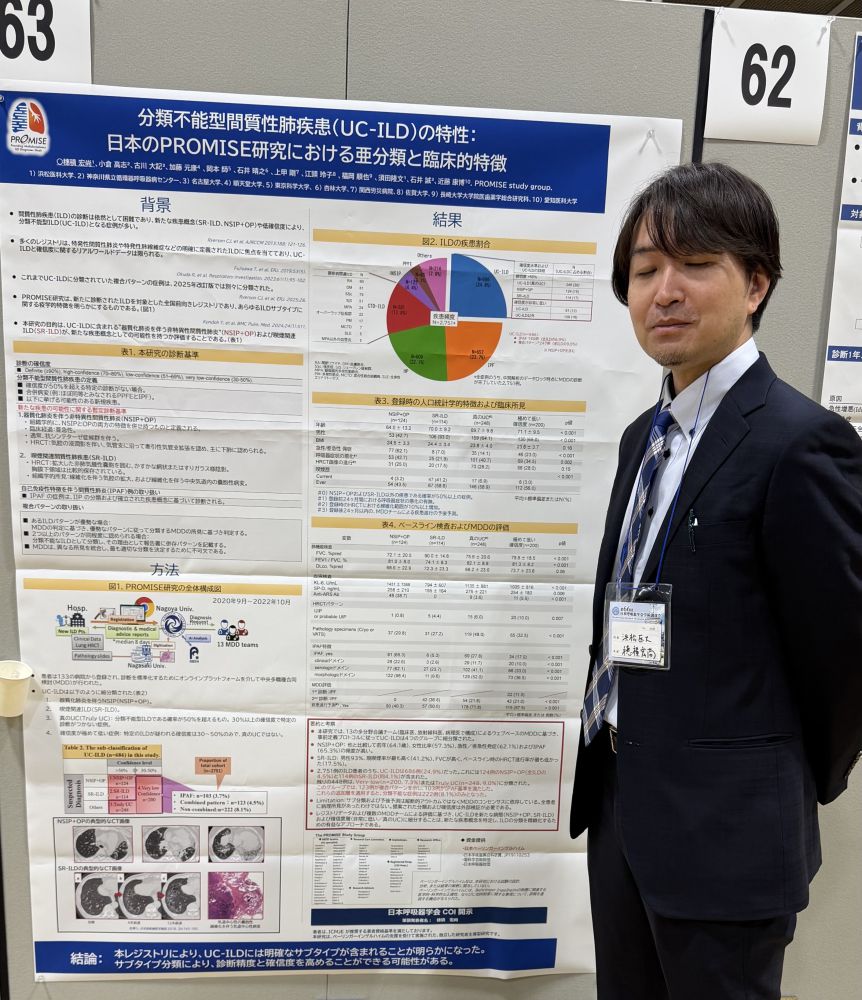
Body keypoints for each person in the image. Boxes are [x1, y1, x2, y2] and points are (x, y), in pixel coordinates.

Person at [570, 161, 862, 1000]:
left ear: (756, 284)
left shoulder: (799, 442)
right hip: (624, 806)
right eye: (645, 270)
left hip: (728, 829)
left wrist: (780, 778)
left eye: (696, 265)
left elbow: (844, 655)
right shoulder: (643, 436)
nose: (665, 291)